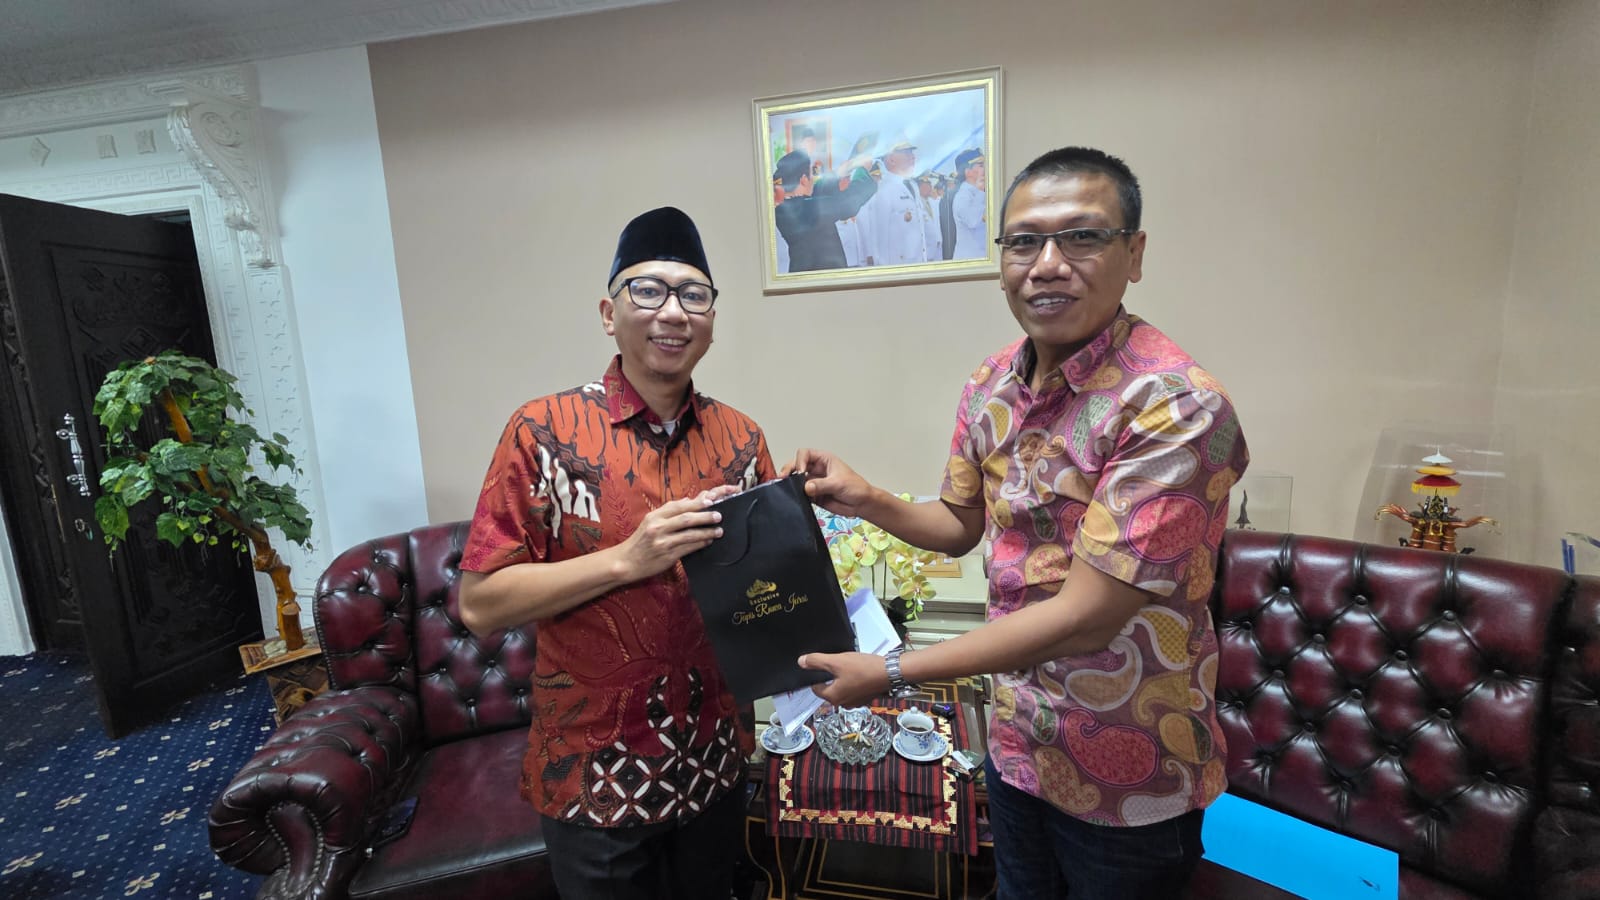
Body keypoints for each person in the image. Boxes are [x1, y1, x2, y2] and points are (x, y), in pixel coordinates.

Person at [788, 147, 1249, 900]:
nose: (1048, 265)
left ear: (1134, 254)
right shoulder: (992, 382)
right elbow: (958, 523)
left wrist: (892, 672)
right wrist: (865, 496)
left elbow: (1086, 617)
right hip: (1018, 742)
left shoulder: (1174, 405)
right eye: (1025, 242)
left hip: (1129, 769)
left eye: (1083, 237)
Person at [459, 206, 776, 900]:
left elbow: (759, 599)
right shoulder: (542, 432)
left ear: (712, 319)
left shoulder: (742, 441)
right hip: (592, 776)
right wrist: (627, 560)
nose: (674, 312)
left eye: (694, 295)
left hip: (714, 765)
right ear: (610, 313)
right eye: (649, 290)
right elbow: (480, 603)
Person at [773, 150, 877, 272]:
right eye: (811, 174)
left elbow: (817, 193)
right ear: (804, 179)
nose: (813, 179)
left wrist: (839, 173)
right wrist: (862, 172)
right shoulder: (805, 209)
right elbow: (846, 203)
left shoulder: (788, 207)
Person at [861, 137, 934, 266]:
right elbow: (879, 241)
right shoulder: (883, 191)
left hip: (918, 265)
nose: (913, 157)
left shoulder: (912, 185)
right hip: (898, 268)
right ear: (891, 160)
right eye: (907, 153)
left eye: (912, 153)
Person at [950, 150, 988, 259]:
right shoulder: (962, 196)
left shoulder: (981, 192)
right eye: (981, 165)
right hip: (969, 260)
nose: (986, 168)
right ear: (968, 172)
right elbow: (973, 221)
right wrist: (980, 192)